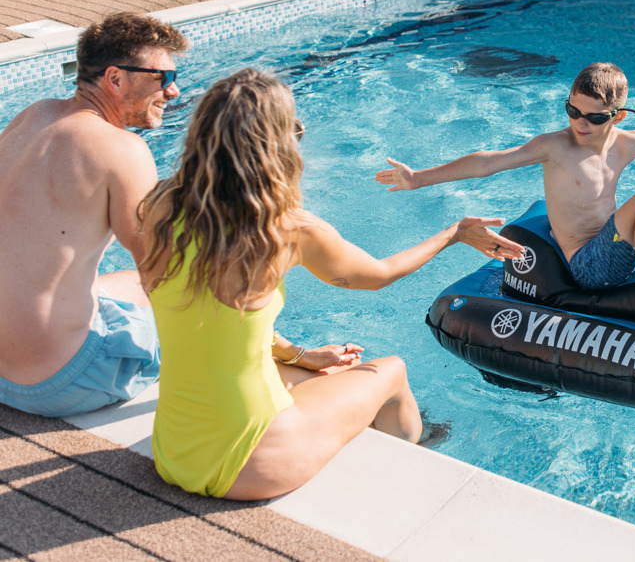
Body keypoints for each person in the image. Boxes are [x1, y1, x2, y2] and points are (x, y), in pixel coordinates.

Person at [138, 68, 523, 500]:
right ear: (277, 147)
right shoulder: (286, 229)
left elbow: (216, 319)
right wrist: (453, 233)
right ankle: (417, 462)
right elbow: (380, 275)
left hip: (173, 452)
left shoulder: (158, 206)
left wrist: (299, 356)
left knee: (304, 374)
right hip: (251, 464)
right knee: (391, 372)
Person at [376, 62, 635, 342]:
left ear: (617, 116)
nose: (580, 124)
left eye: (593, 118)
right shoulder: (555, 147)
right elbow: (487, 161)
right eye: (573, 111)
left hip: (617, 244)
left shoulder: (627, 142)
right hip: (589, 265)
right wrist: (419, 178)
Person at [0, 12, 188, 417]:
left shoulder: (32, 115)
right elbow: (163, 272)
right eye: (164, 78)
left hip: (3, 369)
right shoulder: (121, 150)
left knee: (126, 285)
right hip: (58, 381)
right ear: (116, 79)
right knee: (193, 293)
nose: (173, 92)